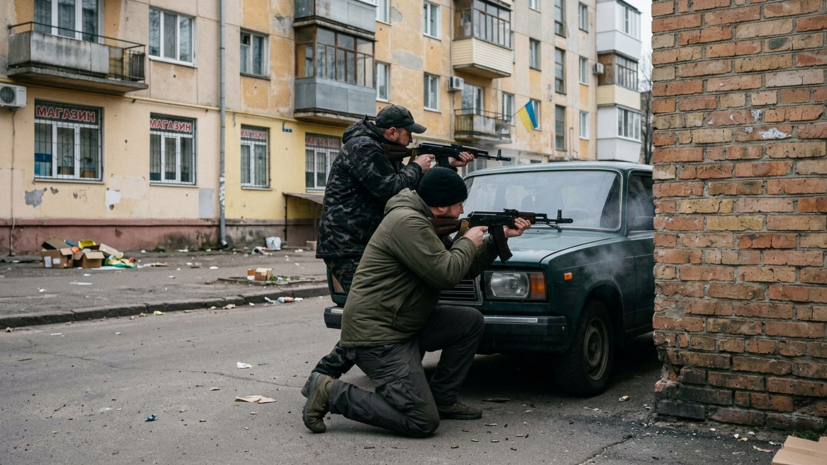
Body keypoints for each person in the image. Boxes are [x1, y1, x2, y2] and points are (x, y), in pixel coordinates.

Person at [302, 167, 530, 437]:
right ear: (443, 205)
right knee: (422, 420)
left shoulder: (423, 221)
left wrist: (497, 240)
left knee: (469, 322)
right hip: (379, 336)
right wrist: (468, 241)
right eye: (459, 203)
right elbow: (446, 273)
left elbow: (462, 269)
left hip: (403, 324)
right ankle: (329, 392)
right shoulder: (408, 223)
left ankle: (443, 398)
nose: (462, 209)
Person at [306, 105, 474, 392]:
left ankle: (392, 376)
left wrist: (445, 168)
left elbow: (410, 190)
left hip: (363, 241)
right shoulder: (362, 147)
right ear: (392, 132)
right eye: (408, 135)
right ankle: (323, 378)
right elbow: (389, 188)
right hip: (347, 244)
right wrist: (416, 166)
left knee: (379, 313)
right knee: (373, 314)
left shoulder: (378, 149)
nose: (410, 141)